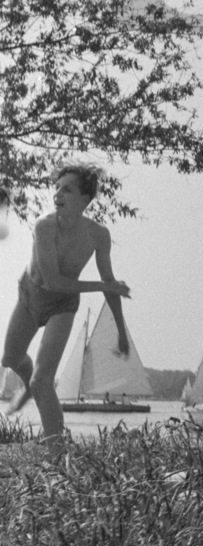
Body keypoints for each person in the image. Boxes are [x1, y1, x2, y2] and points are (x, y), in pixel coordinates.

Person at [2, 164, 133, 439]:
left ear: (84, 200)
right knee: (10, 358)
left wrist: (121, 331)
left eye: (67, 189)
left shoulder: (98, 235)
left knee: (42, 381)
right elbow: (52, 281)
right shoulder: (44, 226)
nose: (58, 194)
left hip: (63, 305)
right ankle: (27, 385)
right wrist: (103, 286)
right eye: (57, 188)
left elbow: (111, 285)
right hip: (31, 297)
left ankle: (57, 453)